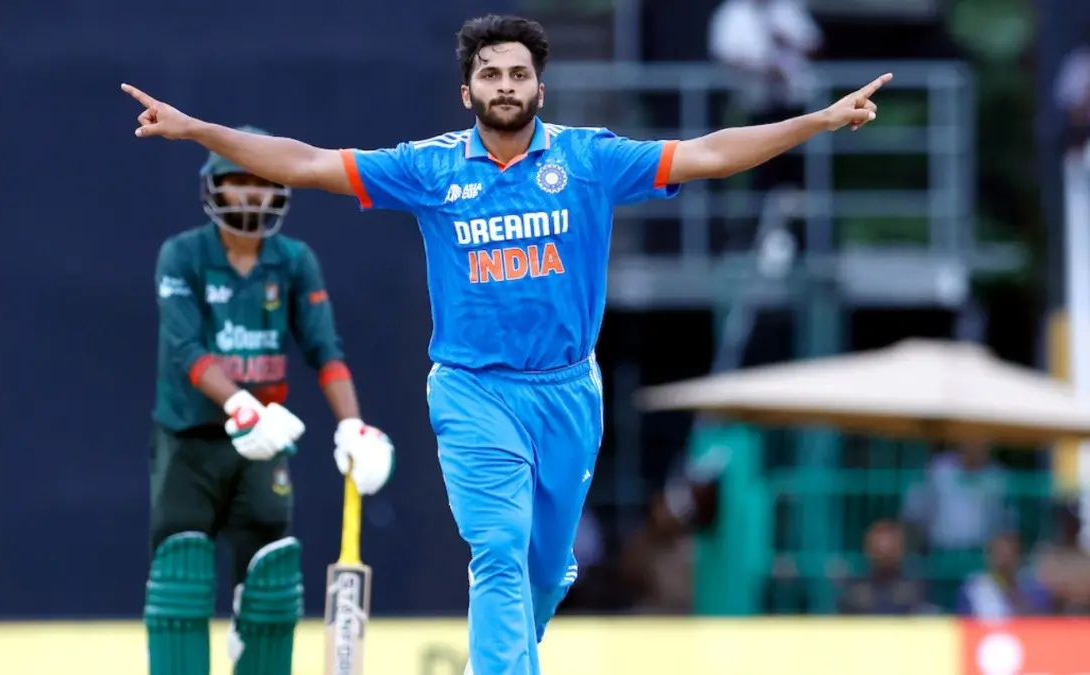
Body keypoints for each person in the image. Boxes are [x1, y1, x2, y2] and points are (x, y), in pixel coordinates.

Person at [122, 14, 889, 675]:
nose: (506, 85)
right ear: (468, 92)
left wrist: (815, 121)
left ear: (539, 88)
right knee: (496, 550)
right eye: (490, 74)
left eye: (519, 73)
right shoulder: (431, 168)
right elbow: (309, 163)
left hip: (565, 392)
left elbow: (709, 152)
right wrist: (197, 130)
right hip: (472, 388)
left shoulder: (587, 159)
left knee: (543, 573)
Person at [143, 129, 395, 675]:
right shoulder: (182, 256)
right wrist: (242, 405)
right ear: (213, 188)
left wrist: (353, 426)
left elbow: (325, 351)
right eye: (238, 182)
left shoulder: (294, 261)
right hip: (190, 443)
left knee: (270, 584)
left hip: (262, 448)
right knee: (180, 578)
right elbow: (186, 351)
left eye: (263, 182)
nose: (252, 195)